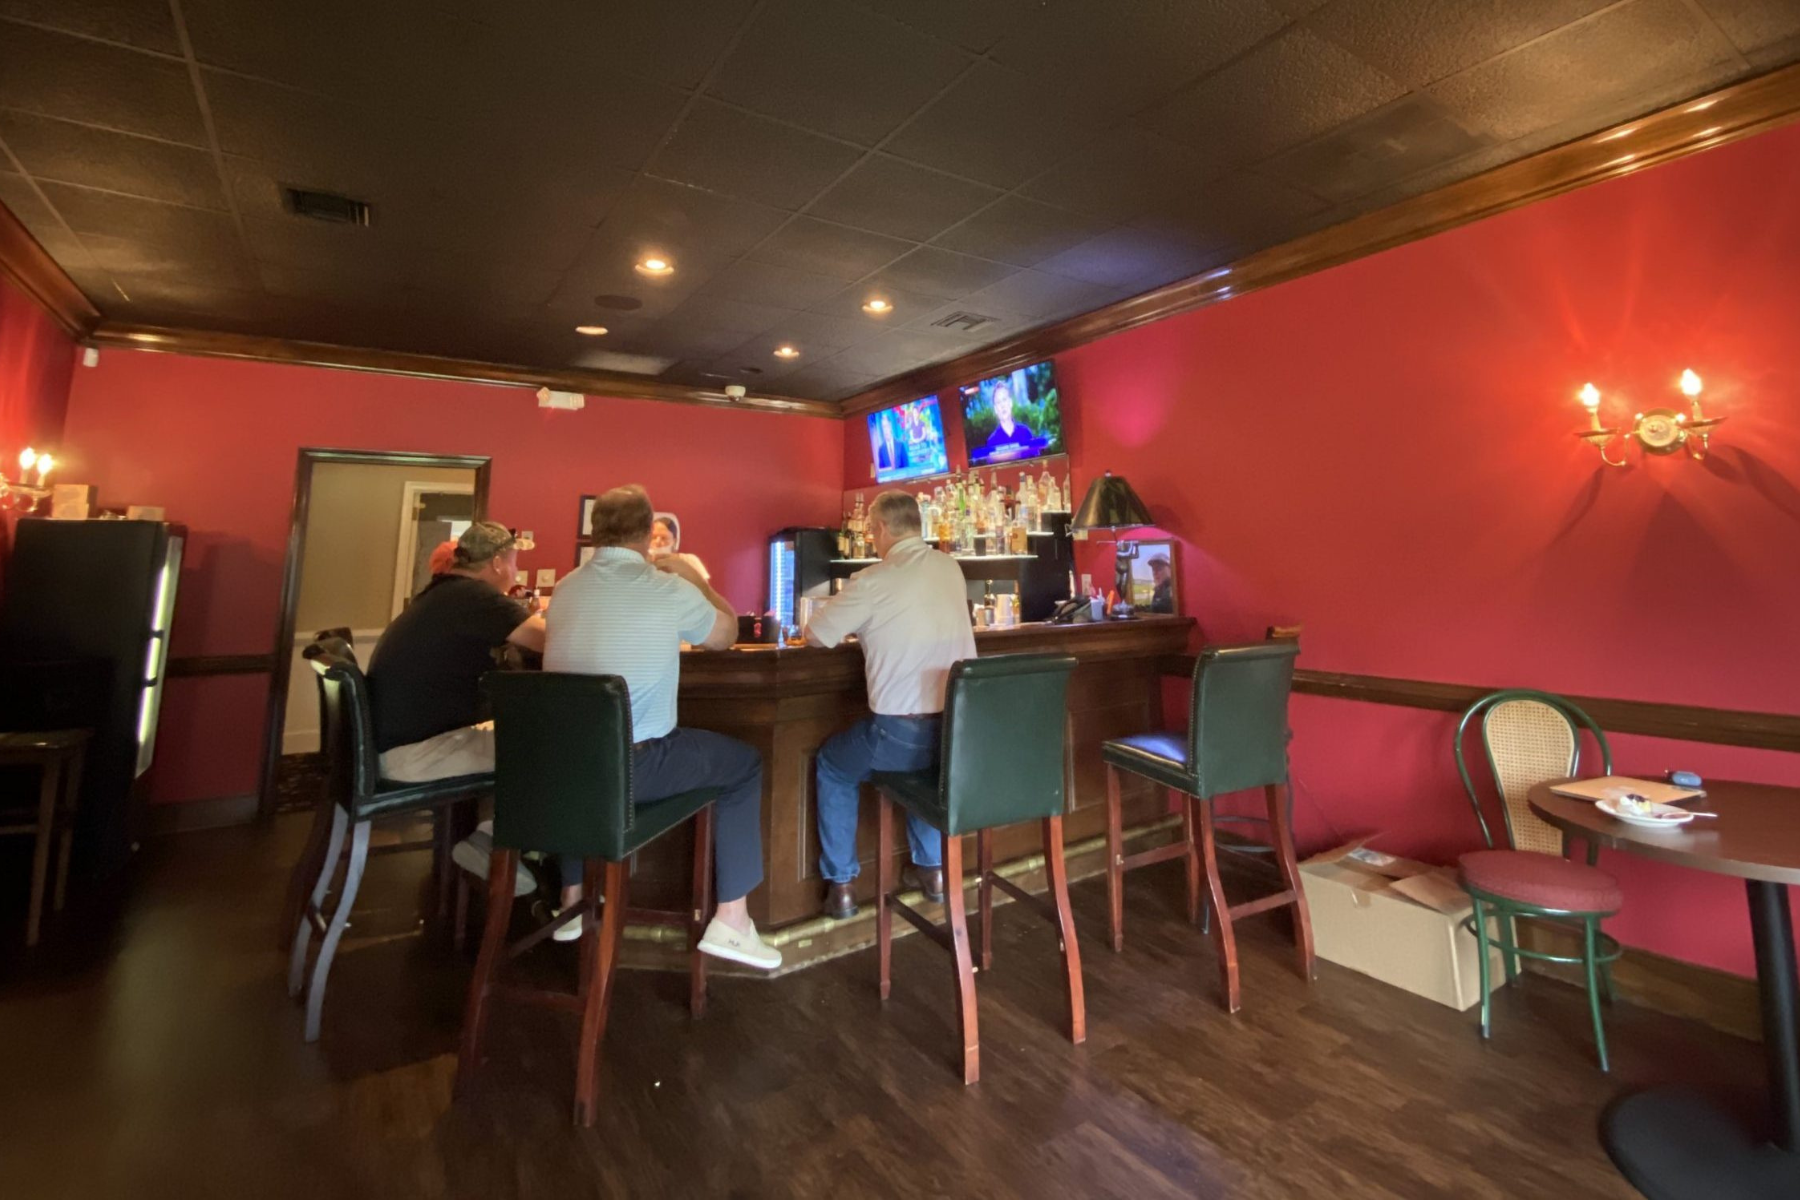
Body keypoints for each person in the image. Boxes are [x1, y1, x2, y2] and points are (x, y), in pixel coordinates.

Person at [544, 484, 780, 968]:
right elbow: (726, 634)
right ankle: (732, 922)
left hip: (562, 771)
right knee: (745, 765)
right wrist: (697, 579)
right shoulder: (667, 588)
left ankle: (571, 901)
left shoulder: (565, 589)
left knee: (579, 748)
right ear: (647, 534)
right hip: (637, 768)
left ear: (595, 532)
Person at [805, 490, 976, 919]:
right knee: (927, 769)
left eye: (871, 532)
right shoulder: (951, 568)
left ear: (880, 529)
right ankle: (933, 871)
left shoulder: (873, 581)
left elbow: (816, 634)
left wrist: (859, 628)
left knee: (832, 764)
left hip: (899, 735)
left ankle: (842, 885)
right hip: (959, 732)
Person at [369, 522, 545, 895]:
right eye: (512, 562)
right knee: (547, 743)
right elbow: (546, 639)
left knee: (523, 734)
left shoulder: (444, 593)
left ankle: (503, 839)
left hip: (399, 746)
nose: (513, 571)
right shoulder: (475, 597)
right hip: (416, 755)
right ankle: (494, 843)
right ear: (497, 562)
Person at [649, 511, 710, 581]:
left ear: (674, 541)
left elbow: (704, 588)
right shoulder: (643, 563)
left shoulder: (690, 560)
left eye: (664, 538)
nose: (657, 542)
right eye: (653, 537)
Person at [980, 380, 1035, 456]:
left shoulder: (1026, 432)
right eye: (998, 402)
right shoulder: (992, 441)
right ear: (996, 409)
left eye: (1004, 400)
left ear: (1010, 403)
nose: (1002, 405)